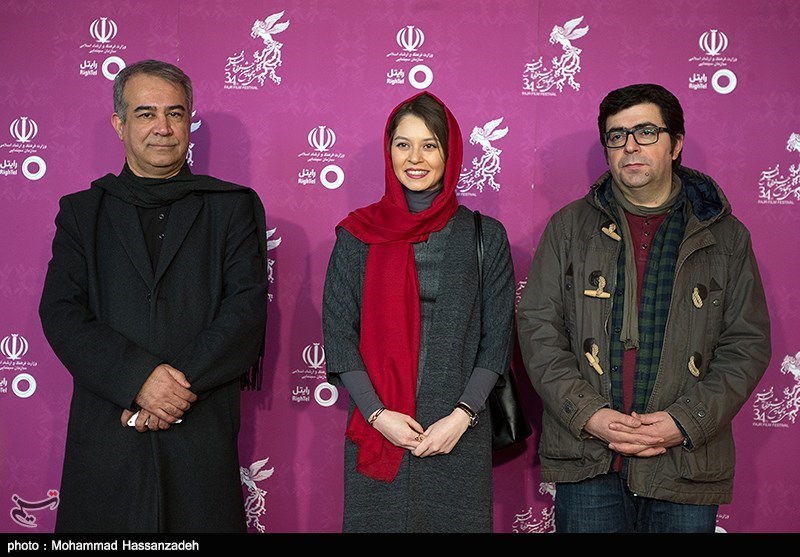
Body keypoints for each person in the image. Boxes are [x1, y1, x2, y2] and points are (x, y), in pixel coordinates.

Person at [517, 83, 771, 533]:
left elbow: (746, 345)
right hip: (588, 457)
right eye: (617, 135)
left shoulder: (726, 236)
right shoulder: (567, 228)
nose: (630, 146)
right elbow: (539, 332)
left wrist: (684, 422)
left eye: (646, 132)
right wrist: (589, 415)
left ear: (676, 144)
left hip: (685, 462)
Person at [39, 59, 268, 533]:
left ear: (188, 122)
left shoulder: (232, 207)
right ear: (119, 124)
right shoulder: (82, 212)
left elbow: (245, 313)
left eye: (175, 113)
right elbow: (61, 313)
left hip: (199, 432)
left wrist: (170, 393)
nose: (162, 127)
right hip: (109, 433)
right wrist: (138, 380)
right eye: (146, 113)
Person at [322, 92, 515, 533]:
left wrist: (461, 417)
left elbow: (497, 339)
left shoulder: (486, 235)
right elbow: (338, 334)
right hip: (380, 430)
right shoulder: (357, 234)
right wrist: (378, 415)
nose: (415, 158)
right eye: (403, 144)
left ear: (451, 152)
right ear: (388, 150)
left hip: (458, 432)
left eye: (430, 145)